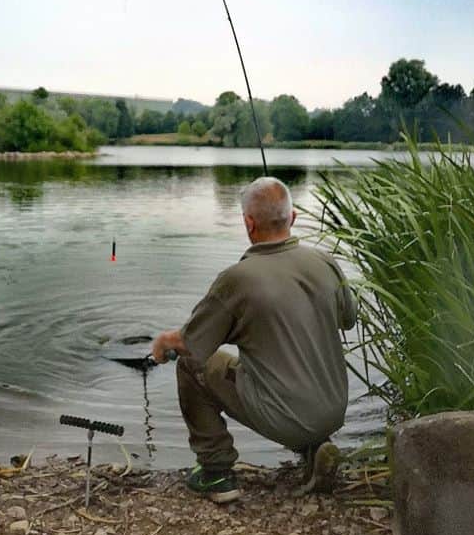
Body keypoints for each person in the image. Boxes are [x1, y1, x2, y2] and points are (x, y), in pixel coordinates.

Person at [151, 176, 357, 503]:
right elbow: (348, 319)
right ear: (292, 218)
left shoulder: (238, 279)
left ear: (248, 222)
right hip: (334, 410)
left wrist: (163, 343)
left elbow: (190, 344)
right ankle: (316, 447)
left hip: (287, 418)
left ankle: (215, 472)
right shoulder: (325, 262)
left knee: (191, 365)